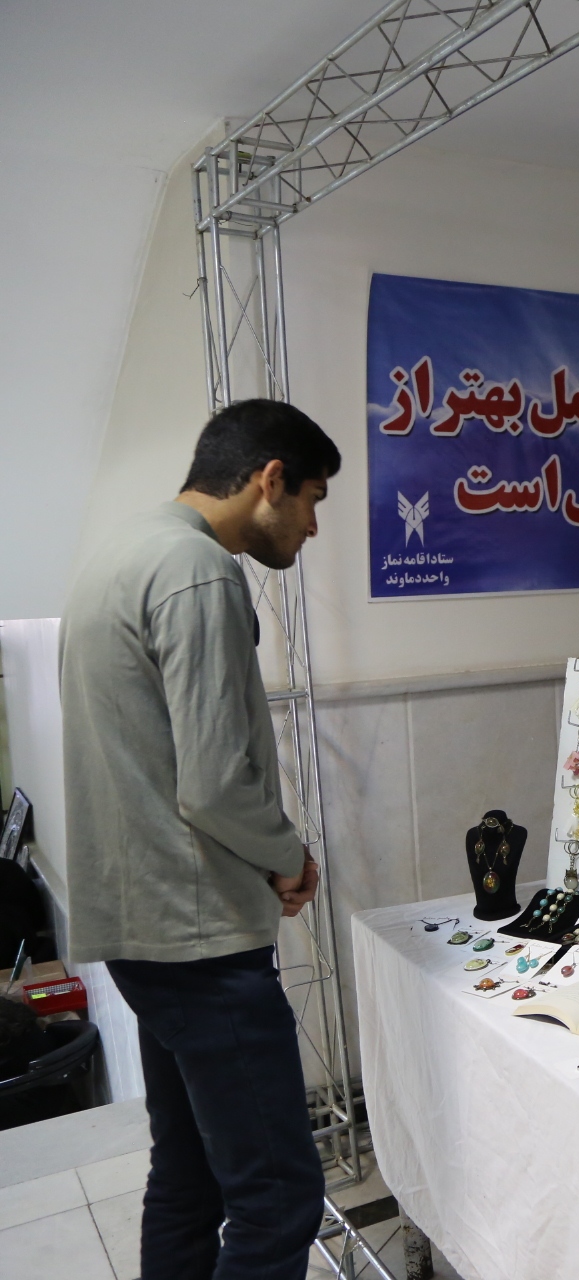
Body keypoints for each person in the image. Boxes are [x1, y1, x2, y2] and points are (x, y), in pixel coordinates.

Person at [62, 399, 340, 1280]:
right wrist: (290, 856)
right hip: (200, 940)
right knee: (279, 1197)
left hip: (143, 927)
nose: (313, 527)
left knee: (187, 1178)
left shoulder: (122, 550)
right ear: (270, 480)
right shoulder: (198, 571)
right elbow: (214, 782)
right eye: (313, 500)